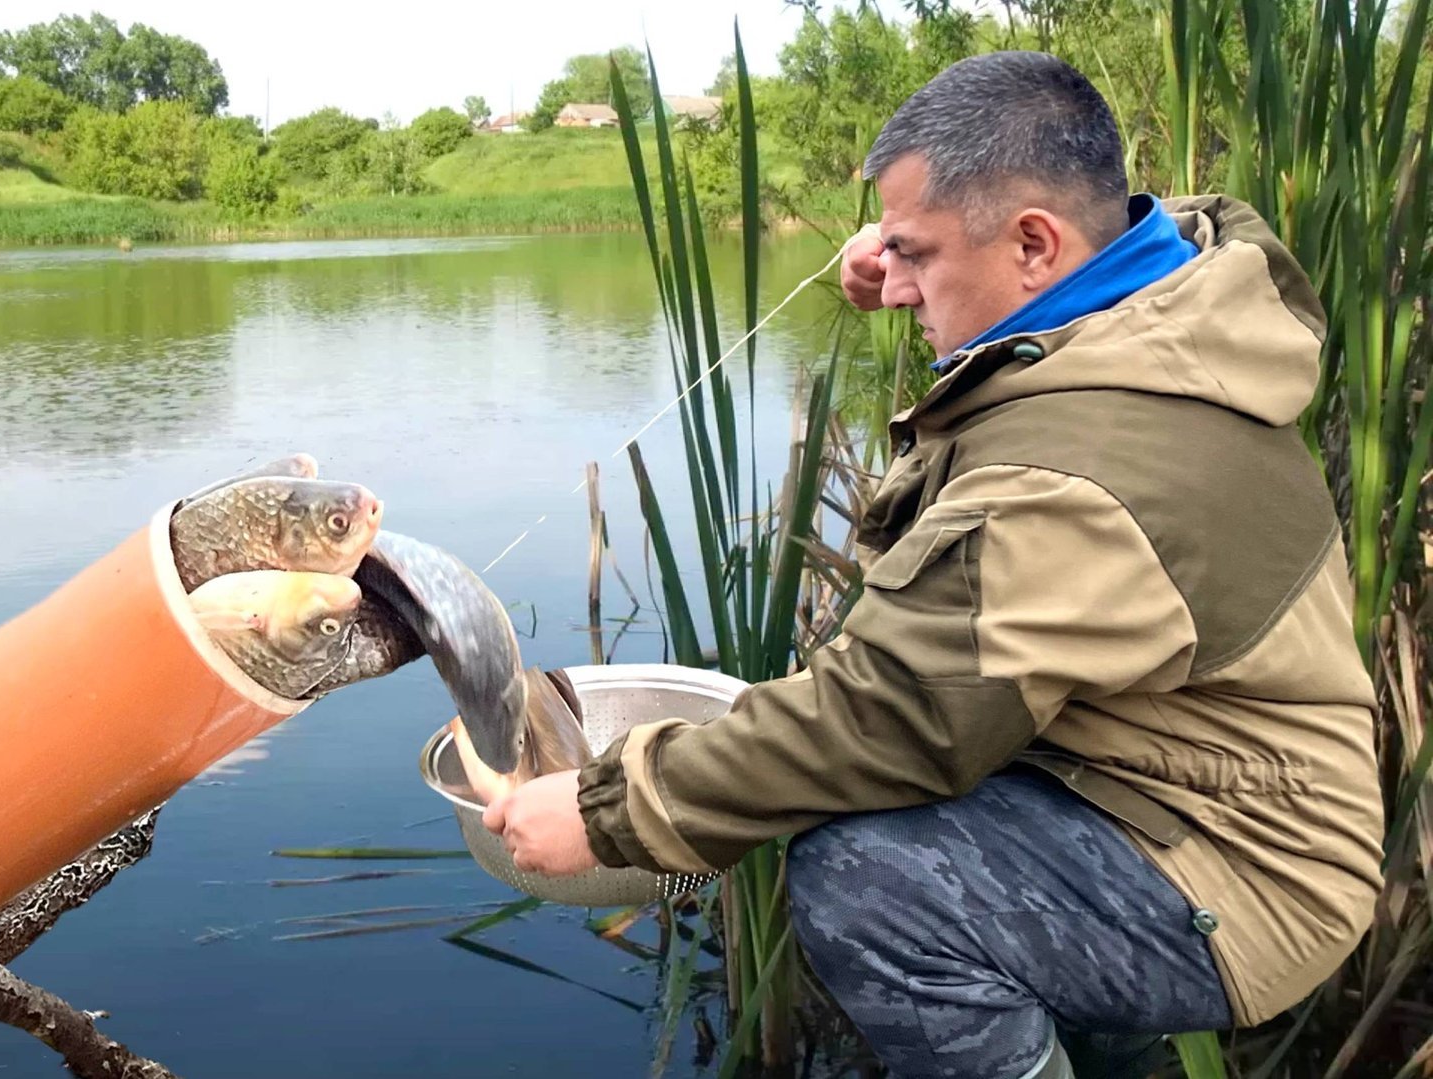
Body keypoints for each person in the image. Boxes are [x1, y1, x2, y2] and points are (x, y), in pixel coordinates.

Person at [480, 50, 1384, 1079]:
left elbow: (888, 716)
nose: (888, 280)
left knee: (868, 877)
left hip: (1248, 867)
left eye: (913, 253)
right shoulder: (1174, 293)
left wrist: (613, 810)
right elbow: (1102, 215)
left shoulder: (1069, 482)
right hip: (1152, 779)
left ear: (1035, 245)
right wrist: (929, 246)